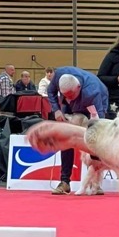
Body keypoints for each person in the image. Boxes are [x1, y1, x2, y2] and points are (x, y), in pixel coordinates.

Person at [46, 67, 109, 195]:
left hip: (92, 105)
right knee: (65, 138)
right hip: (71, 106)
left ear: (78, 87)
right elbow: (50, 92)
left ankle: (95, 183)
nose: (69, 98)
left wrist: (94, 132)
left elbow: (99, 122)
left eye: (71, 95)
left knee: (94, 141)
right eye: (65, 95)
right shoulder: (58, 76)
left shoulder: (92, 93)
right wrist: (56, 109)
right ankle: (64, 182)